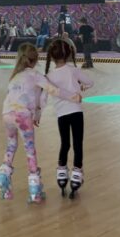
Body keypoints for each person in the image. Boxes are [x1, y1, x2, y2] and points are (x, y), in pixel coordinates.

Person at [0, 43, 81, 203]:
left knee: (11, 146)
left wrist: (37, 113)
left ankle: (2, 181)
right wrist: (74, 97)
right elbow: (54, 90)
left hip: (6, 114)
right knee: (29, 150)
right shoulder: (35, 75)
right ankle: (35, 189)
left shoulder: (14, 76)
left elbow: (23, 97)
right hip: (22, 115)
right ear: (35, 59)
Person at [44, 39, 94, 198]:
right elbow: (90, 82)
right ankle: (77, 175)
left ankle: (61, 173)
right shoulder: (73, 70)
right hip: (76, 112)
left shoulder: (49, 76)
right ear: (69, 54)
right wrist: (80, 87)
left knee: (65, 144)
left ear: (51, 56)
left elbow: (45, 96)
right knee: (77, 144)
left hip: (61, 115)